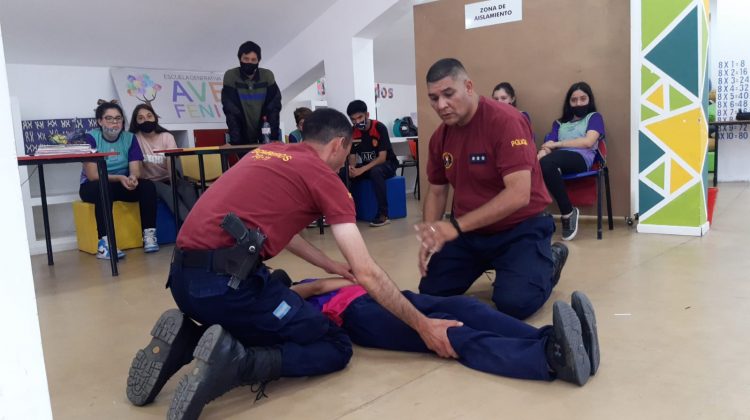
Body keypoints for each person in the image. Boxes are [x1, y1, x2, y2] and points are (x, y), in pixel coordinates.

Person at [125, 109, 461, 419]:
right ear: (338, 144)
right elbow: (366, 269)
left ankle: (188, 338)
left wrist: (329, 264)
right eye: (348, 150)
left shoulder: (266, 152)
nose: (347, 158)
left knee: (275, 287)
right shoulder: (325, 178)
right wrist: (423, 325)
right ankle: (240, 364)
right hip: (224, 289)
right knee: (333, 345)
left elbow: (280, 231)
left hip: (183, 282)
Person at [415, 58, 567, 320]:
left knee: (516, 304)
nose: (441, 105)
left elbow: (518, 194)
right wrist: (431, 233)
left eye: (448, 94)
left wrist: (456, 227)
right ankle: (492, 263)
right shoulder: (441, 137)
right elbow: (438, 190)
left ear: (469, 86)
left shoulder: (506, 121)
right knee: (431, 293)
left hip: (520, 227)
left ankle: (550, 259)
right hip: (470, 233)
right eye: (433, 98)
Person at [292, 277, 600, 386]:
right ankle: (547, 359)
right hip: (358, 316)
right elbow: (323, 285)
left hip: (384, 296)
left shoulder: (304, 283)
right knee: (448, 329)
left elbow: (348, 275)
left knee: (465, 307)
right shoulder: (291, 294)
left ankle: (555, 340)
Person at [79, 100, 159, 259]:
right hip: (93, 186)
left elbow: (135, 170)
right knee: (103, 187)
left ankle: (149, 235)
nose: (114, 122)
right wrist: (120, 177)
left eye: (118, 118)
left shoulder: (129, 138)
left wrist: (132, 178)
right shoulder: (90, 138)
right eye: (109, 118)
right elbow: (93, 175)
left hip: (120, 184)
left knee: (147, 186)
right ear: (100, 121)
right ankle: (105, 244)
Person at [537, 82, 605, 241]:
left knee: (549, 162)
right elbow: (548, 146)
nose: (578, 103)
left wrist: (557, 145)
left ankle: (567, 212)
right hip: (556, 159)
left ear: (590, 99)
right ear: (569, 102)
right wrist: (538, 156)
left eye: (583, 99)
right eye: (574, 100)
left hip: (581, 158)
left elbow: (588, 142)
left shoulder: (594, 117)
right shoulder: (559, 124)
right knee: (540, 163)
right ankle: (533, 216)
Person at [129, 104, 198, 222]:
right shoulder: (134, 139)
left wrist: (174, 183)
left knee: (187, 189)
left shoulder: (167, 137)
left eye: (149, 116)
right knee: (168, 192)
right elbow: (138, 171)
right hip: (149, 182)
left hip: (168, 177)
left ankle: (202, 223)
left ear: (155, 118)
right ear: (136, 122)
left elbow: (171, 164)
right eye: (141, 118)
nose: (146, 120)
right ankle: (191, 226)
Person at [346, 99, 400, 227]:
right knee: (344, 172)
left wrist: (361, 170)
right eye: (353, 119)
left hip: (387, 164)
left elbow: (382, 158)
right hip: (368, 166)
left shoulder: (379, 127)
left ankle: (383, 214)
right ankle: (346, 212)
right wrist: (352, 169)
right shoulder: (353, 132)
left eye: (360, 117)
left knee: (376, 172)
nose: (357, 122)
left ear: (367, 115)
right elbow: (352, 156)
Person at [222, 41, 282, 145]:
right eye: (246, 59)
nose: (249, 62)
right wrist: (236, 142)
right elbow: (231, 111)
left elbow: (273, 109)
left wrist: (273, 139)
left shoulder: (267, 76)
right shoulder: (231, 76)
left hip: (265, 135)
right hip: (241, 136)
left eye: (253, 60)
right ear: (240, 58)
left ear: (259, 61)